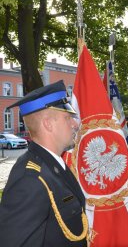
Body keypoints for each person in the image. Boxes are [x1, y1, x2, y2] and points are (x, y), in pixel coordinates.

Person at [0, 81, 88, 246]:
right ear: (48, 124)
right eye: (68, 117)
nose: (75, 124)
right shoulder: (30, 179)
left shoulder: (53, 164)